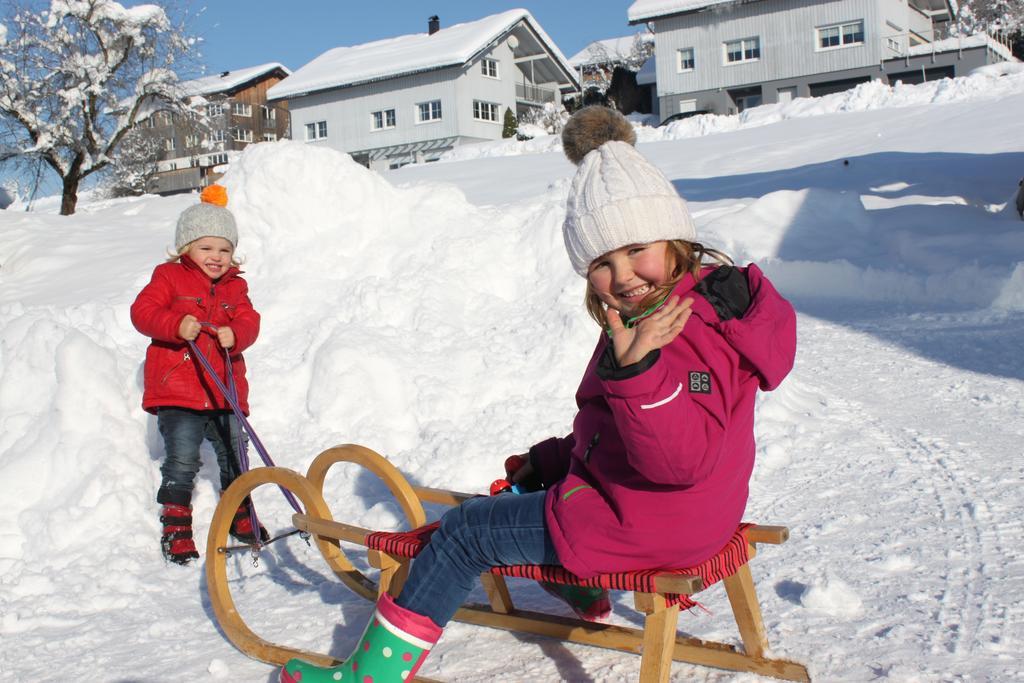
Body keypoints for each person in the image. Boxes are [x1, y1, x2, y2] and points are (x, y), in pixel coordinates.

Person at [278, 106, 797, 683]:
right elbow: (623, 429)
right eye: (602, 263)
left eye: (636, 250)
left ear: (674, 238)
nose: (623, 276)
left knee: (466, 531)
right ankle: (585, 594)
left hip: (650, 525)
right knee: (538, 488)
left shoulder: (668, 335)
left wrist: (640, 370)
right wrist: (552, 459)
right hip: (696, 515)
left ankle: (367, 675)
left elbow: (677, 458)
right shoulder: (694, 309)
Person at [131, 184, 265, 565]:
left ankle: (240, 515)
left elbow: (250, 321)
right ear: (185, 247)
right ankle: (176, 526)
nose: (217, 257)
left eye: (224, 249)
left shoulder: (236, 286)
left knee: (236, 455)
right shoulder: (168, 278)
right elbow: (142, 312)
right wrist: (175, 324)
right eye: (206, 248)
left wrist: (236, 334)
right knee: (183, 460)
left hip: (224, 390)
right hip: (179, 390)